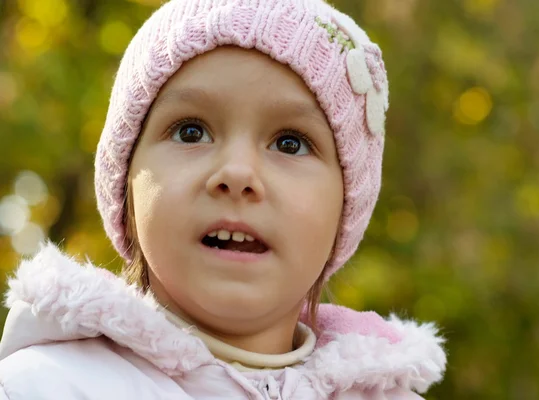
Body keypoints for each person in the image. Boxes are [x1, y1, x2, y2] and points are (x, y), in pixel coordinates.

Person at [0, 0, 446, 398]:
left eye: (290, 143)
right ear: (126, 188)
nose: (237, 174)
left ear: (346, 208)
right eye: (191, 131)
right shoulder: (42, 385)